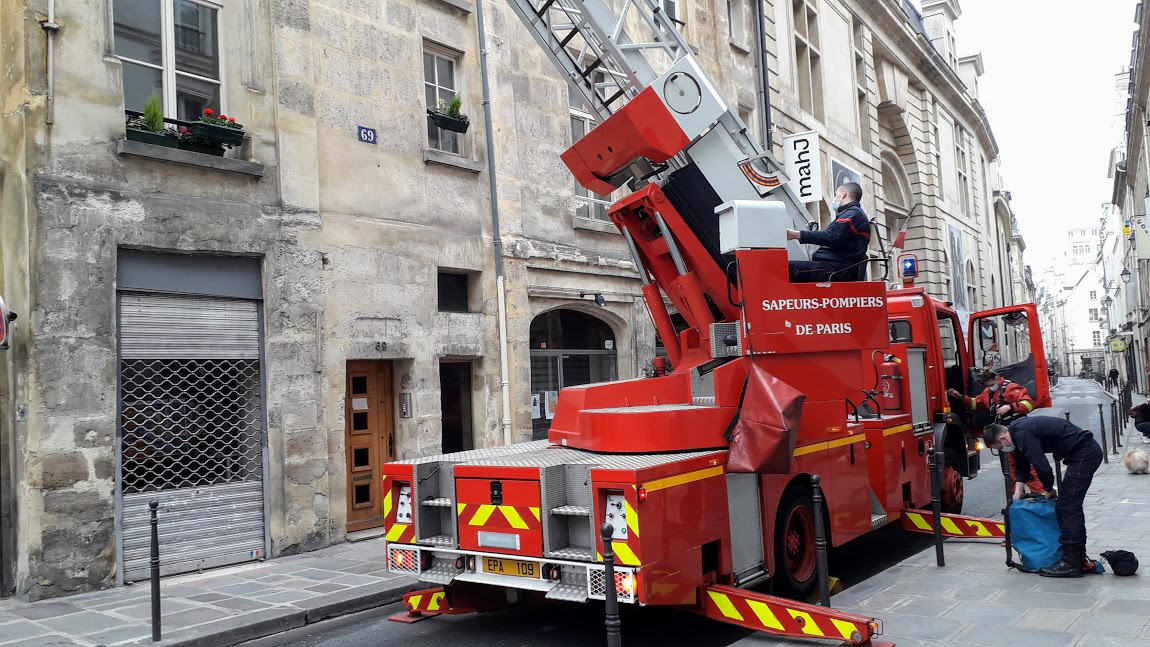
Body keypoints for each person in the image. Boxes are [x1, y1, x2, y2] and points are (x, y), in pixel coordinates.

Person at [983, 418, 1103, 578]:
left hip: (1084, 453)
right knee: (1070, 506)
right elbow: (1022, 463)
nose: (1001, 450)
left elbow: (1040, 464)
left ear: (1003, 439)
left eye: (998, 448)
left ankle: (1071, 563)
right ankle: (1078, 557)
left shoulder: (1022, 432)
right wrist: (1019, 488)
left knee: (1067, 507)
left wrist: (1048, 488)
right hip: (1081, 454)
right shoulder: (1016, 433)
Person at [948, 368, 1044, 494]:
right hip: (1003, 434)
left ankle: (1040, 495)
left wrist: (1009, 407)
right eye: (988, 385)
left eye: (992, 384)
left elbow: (1029, 404)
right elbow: (976, 403)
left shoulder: (1011, 388)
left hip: (1017, 431)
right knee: (1009, 470)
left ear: (998, 379)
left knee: (1026, 466)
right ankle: (1016, 498)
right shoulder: (988, 392)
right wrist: (961, 397)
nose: (990, 387)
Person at [785, 182, 870, 283]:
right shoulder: (852, 214)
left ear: (843, 193)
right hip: (837, 267)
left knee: (786, 269)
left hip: (837, 269)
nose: (835, 198)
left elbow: (831, 236)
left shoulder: (853, 214)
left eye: (836, 194)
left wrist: (796, 234)